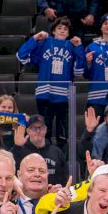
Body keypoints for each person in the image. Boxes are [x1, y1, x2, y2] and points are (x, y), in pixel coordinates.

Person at [18, 18, 86, 149]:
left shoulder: (72, 46)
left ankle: (61, 157)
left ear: (69, 33)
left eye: (65, 29)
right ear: (53, 31)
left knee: (62, 134)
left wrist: (79, 47)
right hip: (45, 94)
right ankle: (44, 156)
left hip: (63, 95)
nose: (62, 31)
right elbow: (22, 56)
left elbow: (79, 71)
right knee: (45, 131)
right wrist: (35, 38)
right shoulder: (45, 43)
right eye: (59, 28)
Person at [13, 115, 69, 185]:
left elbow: (65, 178)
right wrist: (17, 147)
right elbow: (10, 172)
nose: (38, 131)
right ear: (28, 131)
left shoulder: (56, 152)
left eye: (41, 128)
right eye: (34, 128)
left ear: (45, 130)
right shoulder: (19, 151)